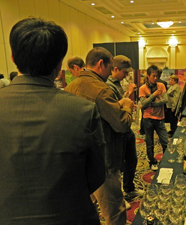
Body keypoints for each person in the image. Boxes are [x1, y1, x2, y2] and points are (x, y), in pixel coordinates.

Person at [0, 17, 106, 225]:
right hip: (70, 216)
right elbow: (96, 176)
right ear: (60, 65)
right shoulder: (82, 110)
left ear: (13, 57)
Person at [65, 47, 134, 225]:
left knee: (86, 209)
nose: (112, 72)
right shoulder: (101, 89)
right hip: (103, 161)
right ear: (101, 64)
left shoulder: (70, 87)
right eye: (111, 68)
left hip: (79, 159)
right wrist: (126, 107)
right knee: (115, 212)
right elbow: (121, 125)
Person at [106, 55, 144, 209]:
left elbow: (122, 104)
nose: (127, 75)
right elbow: (115, 108)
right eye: (125, 72)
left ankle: (129, 188)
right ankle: (119, 197)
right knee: (117, 167)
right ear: (115, 69)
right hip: (118, 131)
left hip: (126, 129)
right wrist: (128, 94)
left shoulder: (117, 83)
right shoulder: (108, 86)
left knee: (132, 160)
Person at [139, 65, 168, 171]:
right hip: (148, 119)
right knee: (149, 143)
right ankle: (152, 161)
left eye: (157, 76)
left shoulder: (161, 85)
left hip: (160, 118)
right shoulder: (142, 88)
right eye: (153, 76)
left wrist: (153, 104)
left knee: (165, 141)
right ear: (148, 76)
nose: (155, 78)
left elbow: (165, 100)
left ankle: (165, 160)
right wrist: (154, 95)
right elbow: (143, 105)